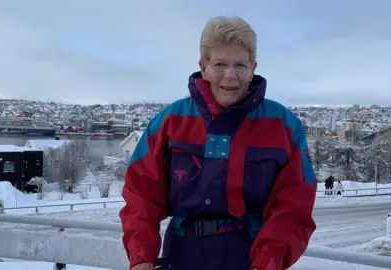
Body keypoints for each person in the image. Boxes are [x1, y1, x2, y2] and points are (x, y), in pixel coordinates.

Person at [119, 15, 317, 270]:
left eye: (240, 65)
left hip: (251, 256)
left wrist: (269, 261)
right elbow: (141, 195)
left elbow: (294, 205)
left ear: (253, 67)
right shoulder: (170, 121)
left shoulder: (284, 126)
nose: (230, 75)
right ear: (203, 67)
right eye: (220, 64)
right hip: (182, 254)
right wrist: (141, 257)